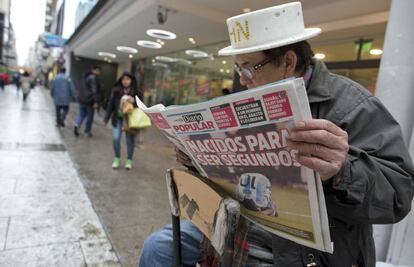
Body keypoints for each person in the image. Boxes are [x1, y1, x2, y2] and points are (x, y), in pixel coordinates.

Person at [139, 2, 414, 267]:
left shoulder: (354, 106)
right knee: (158, 248)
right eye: (238, 68)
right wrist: (196, 156)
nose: (242, 79)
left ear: (288, 61)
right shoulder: (250, 95)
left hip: (304, 249)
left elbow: (399, 196)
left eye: (248, 67)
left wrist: (343, 171)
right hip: (238, 223)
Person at [104, 72, 143, 170]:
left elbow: (141, 106)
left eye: (127, 79)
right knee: (116, 138)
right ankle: (117, 158)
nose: (125, 81)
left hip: (130, 120)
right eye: (123, 79)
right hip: (118, 118)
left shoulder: (137, 92)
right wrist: (106, 117)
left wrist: (133, 101)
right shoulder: (116, 91)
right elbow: (111, 104)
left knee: (130, 141)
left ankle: (129, 160)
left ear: (131, 80)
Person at [74, 66, 101, 137]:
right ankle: (87, 131)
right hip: (89, 100)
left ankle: (77, 124)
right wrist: (95, 101)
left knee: (81, 114)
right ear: (94, 70)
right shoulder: (93, 78)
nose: (99, 72)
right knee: (90, 117)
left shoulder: (85, 77)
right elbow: (94, 90)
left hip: (82, 99)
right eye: (98, 71)